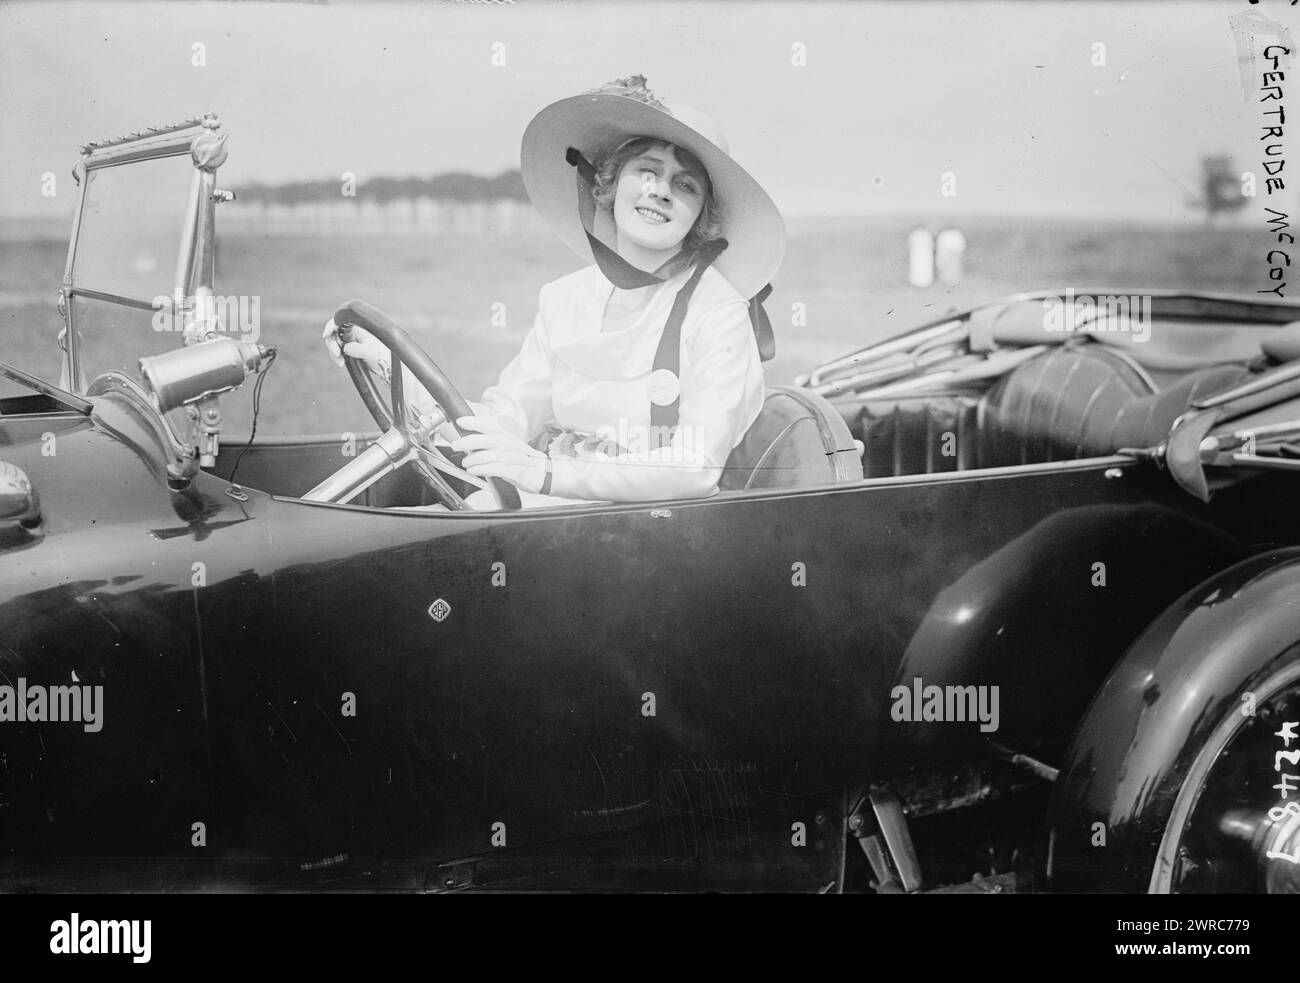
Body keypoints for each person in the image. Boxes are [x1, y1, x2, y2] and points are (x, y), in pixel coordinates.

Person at [324, 74, 786, 508]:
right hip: (554, 508)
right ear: (608, 183)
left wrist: (545, 473)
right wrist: (389, 365)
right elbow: (502, 423)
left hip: (658, 531)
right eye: (647, 170)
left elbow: (695, 467)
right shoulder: (564, 297)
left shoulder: (718, 310)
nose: (659, 191)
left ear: (702, 216)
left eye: (684, 184)